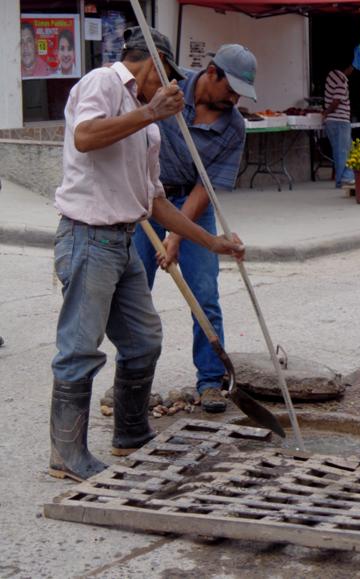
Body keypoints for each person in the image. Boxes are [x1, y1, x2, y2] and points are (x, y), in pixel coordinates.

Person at [49, 26, 245, 482]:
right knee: (79, 348)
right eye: (165, 76)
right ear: (152, 62)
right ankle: (65, 454)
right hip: (87, 236)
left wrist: (210, 241)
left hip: (121, 239)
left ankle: (130, 433)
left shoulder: (148, 122)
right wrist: (150, 113)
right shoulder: (103, 83)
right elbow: (85, 137)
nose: (170, 87)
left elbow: (154, 201)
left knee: (143, 339)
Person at [133, 44, 257, 414]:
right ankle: (133, 385)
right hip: (146, 201)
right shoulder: (168, 84)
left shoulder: (233, 126)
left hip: (191, 204)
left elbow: (205, 188)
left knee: (204, 293)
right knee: (134, 296)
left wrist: (176, 236)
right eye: (231, 88)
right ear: (212, 73)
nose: (235, 99)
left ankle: (209, 381)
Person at [323, 60, 355, 188]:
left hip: (334, 121)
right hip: (340, 121)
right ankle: (343, 179)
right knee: (344, 151)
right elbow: (336, 101)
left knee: (343, 150)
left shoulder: (331, 75)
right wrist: (326, 112)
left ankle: (344, 178)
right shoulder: (341, 79)